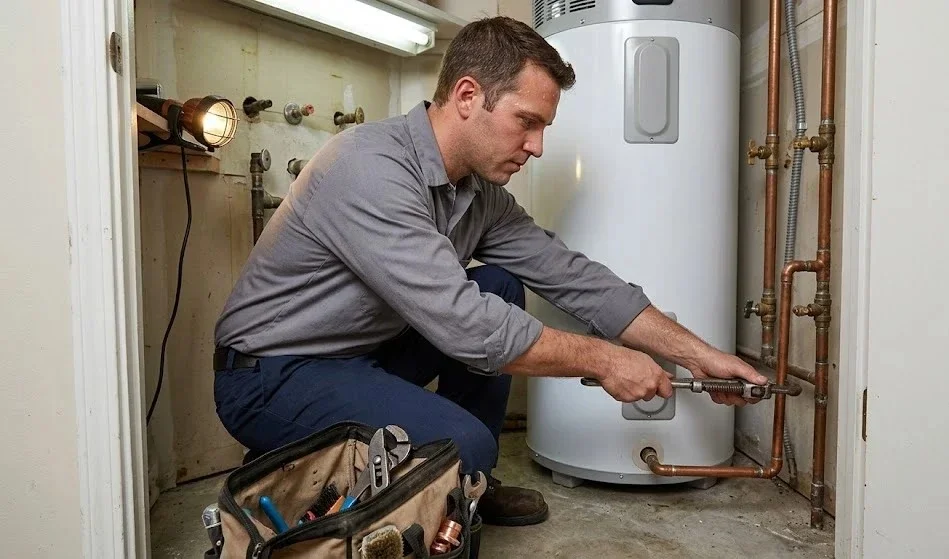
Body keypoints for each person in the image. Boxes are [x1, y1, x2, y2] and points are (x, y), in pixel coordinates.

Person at [212, 16, 767, 527]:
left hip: (360, 353)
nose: (538, 147)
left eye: (544, 127)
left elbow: (576, 279)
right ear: (468, 96)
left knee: (500, 283)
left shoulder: (479, 195)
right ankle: (296, 459)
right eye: (526, 122)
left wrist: (701, 355)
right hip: (272, 374)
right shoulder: (369, 167)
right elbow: (469, 329)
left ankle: (467, 486)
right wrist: (607, 358)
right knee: (462, 446)